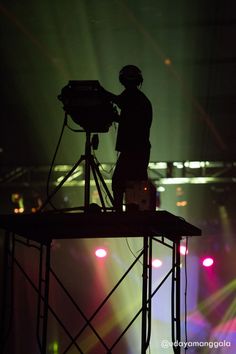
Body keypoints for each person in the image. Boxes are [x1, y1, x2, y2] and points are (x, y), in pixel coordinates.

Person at [102, 65, 152, 211]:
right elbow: (131, 121)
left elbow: (120, 102)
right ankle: (135, 213)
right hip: (139, 149)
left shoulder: (132, 96)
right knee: (134, 183)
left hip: (133, 149)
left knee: (119, 181)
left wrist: (102, 93)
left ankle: (120, 214)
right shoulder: (139, 99)